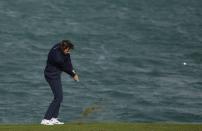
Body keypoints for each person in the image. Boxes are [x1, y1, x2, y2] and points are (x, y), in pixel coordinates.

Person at [41, 40, 79, 125]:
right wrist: (73, 75)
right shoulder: (58, 58)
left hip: (55, 74)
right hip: (51, 75)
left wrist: (73, 72)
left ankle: (54, 118)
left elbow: (68, 61)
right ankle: (45, 119)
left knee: (59, 97)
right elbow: (65, 67)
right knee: (58, 97)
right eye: (68, 50)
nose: (69, 52)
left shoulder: (60, 46)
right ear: (64, 48)